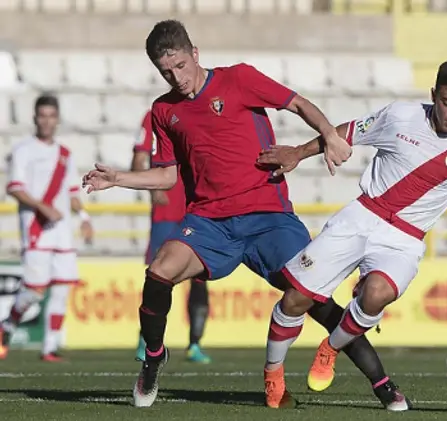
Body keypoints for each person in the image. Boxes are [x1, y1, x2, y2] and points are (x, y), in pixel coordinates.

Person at [82, 19, 410, 411]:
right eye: (166, 72)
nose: (177, 77)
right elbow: (170, 175)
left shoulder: (238, 79)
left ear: (195, 54)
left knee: (316, 300)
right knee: (158, 272)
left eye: (181, 66)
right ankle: (153, 357)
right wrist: (119, 178)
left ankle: (383, 383)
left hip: (268, 216)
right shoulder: (163, 111)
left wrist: (329, 134)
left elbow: (299, 103)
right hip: (209, 222)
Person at [256, 59, 447, 407]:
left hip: (403, 237)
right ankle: (273, 375)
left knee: (376, 294)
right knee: (295, 300)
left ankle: (331, 348)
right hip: (361, 216)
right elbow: (349, 132)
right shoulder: (401, 116)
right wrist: (299, 152)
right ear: (434, 94)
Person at [0, 94, 94, 361]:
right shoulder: (23, 151)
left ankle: (49, 347)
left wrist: (85, 219)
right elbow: (15, 188)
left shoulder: (65, 155)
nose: (47, 121)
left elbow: (73, 193)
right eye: (42, 115)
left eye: (51, 116)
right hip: (36, 229)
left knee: (62, 288)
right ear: (35, 118)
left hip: (62, 232)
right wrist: (43, 207)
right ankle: (6, 326)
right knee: (34, 291)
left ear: (57, 119)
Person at [131, 110, 211, 364]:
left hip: (196, 210)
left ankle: (195, 344)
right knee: (158, 277)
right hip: (166, 213)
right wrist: (150, 187)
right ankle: (146, 339)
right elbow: (139, 156)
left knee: (200, 279)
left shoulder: (202, 113)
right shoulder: (154, 116)